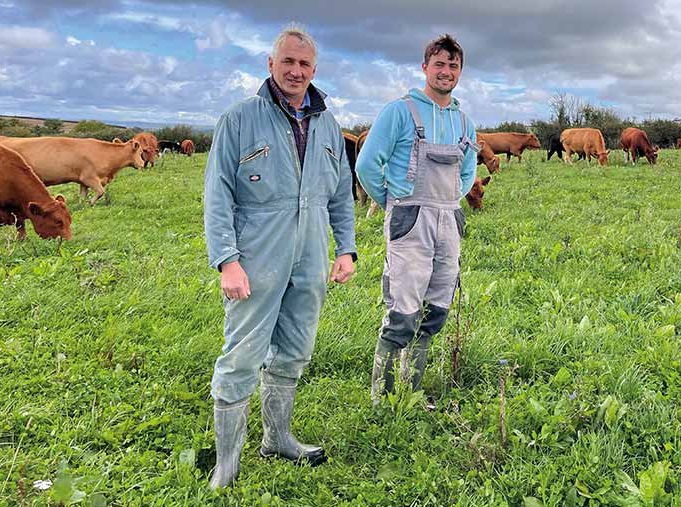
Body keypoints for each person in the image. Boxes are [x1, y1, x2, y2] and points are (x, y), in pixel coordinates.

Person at [203, 23, 356, 489]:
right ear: (270, 65)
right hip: (256, 254)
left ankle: (278, 438)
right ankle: (227, 464)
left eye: (304, 63)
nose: (295, 70)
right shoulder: (240, 118)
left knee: (295, 348)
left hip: (310, 253)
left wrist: (345, 246)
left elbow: (340, 195)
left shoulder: (328, 122)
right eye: (287, 61)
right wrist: (227, 259)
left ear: (314, 70)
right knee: (243, 354)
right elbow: (217, 195)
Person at [356, 34, 478, 406]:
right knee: (403, 310)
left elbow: (469, 170)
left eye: (453, 65)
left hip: (448, 220)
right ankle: (384, 397)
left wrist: (450, 201)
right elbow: (366, 165)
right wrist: (396, 202)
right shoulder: (400, 111)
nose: (446, 72)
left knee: (436, 308)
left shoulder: (463, 120)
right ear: (425, 67)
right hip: (410, 219)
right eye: (439, 64)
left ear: (460, 72)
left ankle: (412, 390)